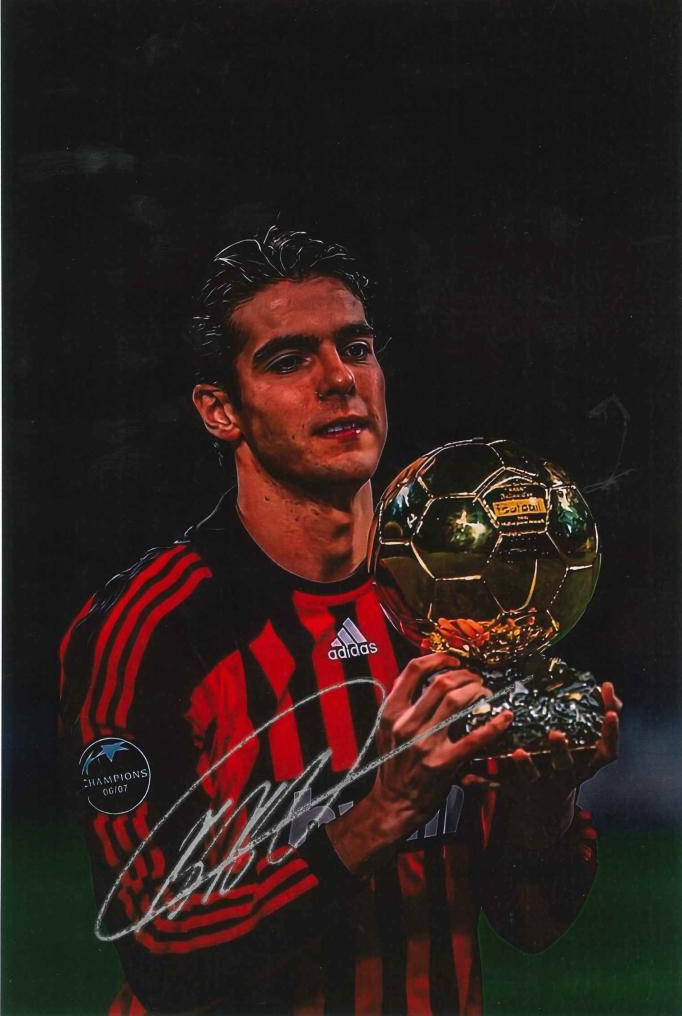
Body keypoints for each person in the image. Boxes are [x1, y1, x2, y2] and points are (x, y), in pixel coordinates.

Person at [59, 228, 621, 1016]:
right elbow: (159, 949)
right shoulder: (152, 628)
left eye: (355, 348)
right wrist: (385, 809)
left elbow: (531, 922)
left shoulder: (459, 605)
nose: (339, 379)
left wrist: (544, 804)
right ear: (221, 410)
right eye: (289, 360)